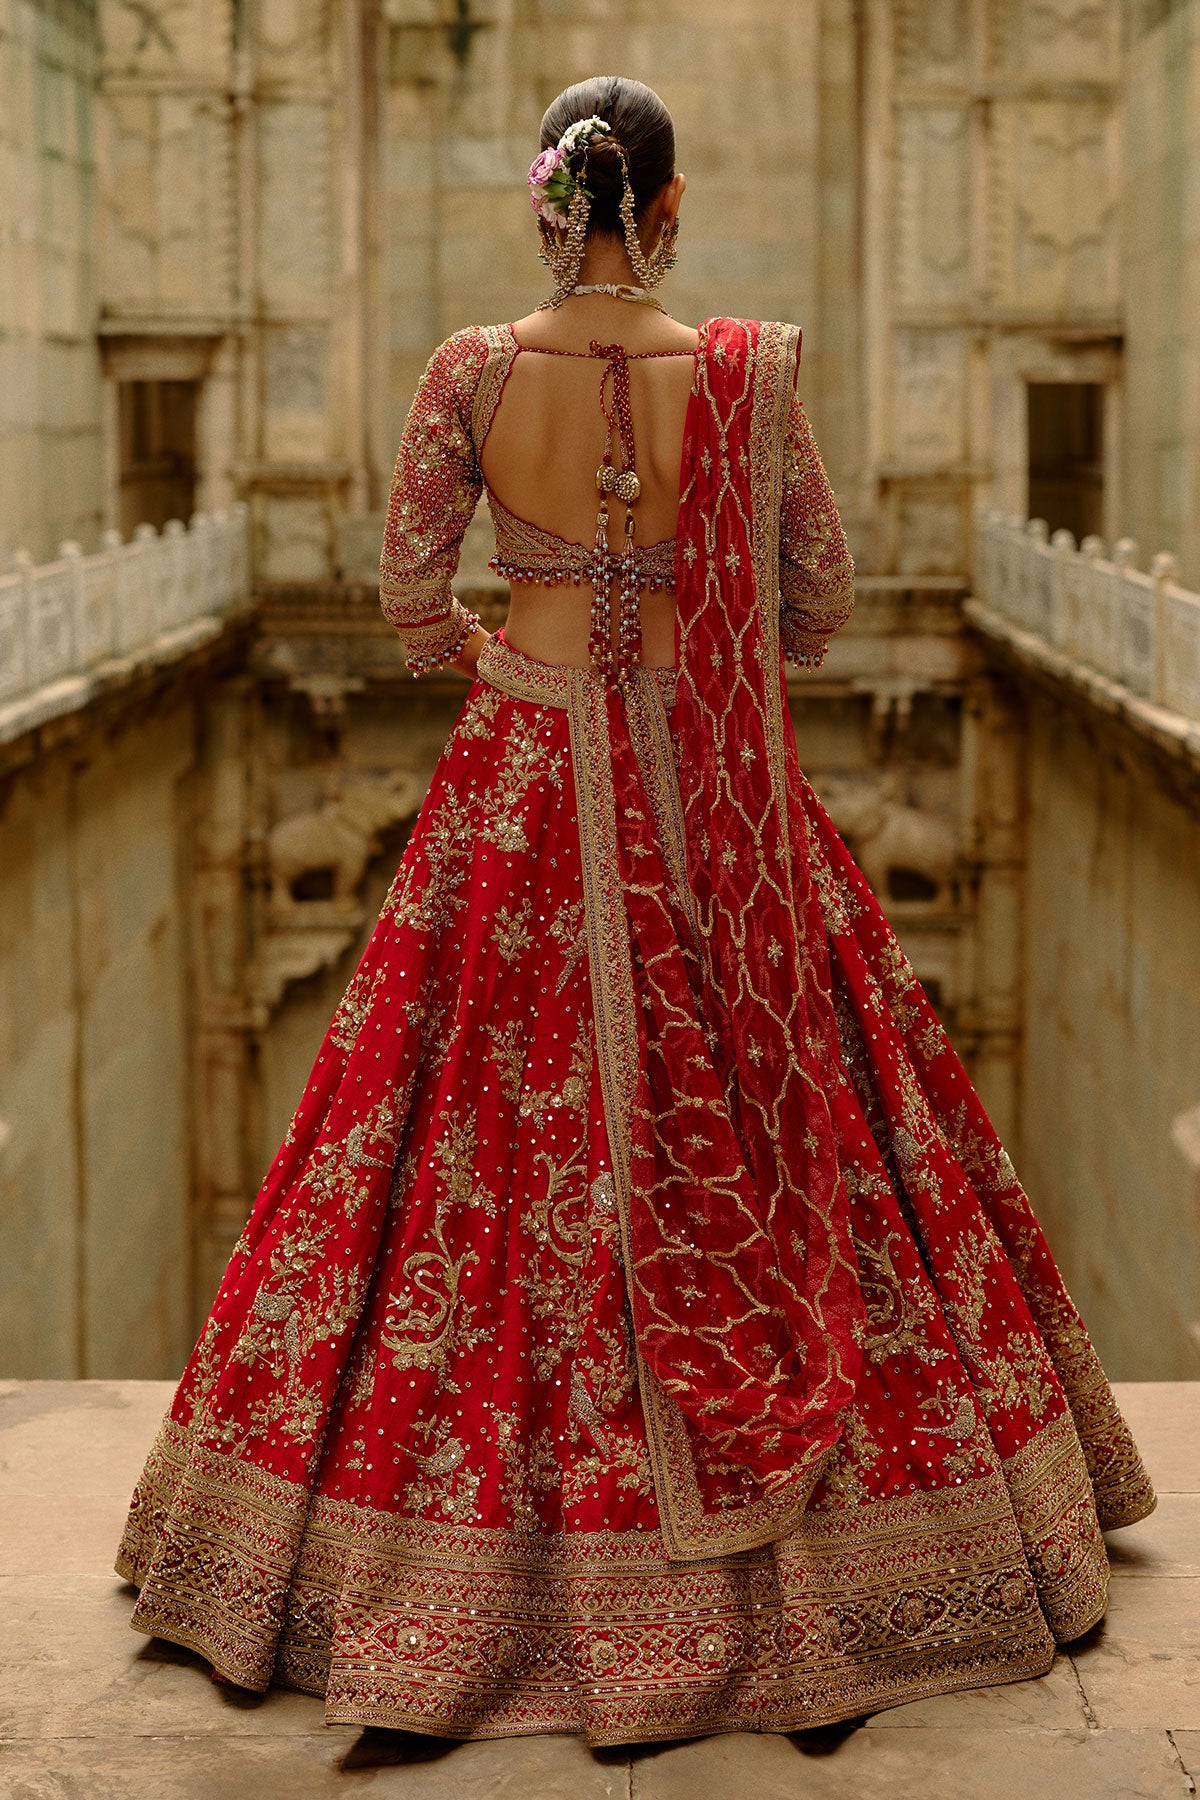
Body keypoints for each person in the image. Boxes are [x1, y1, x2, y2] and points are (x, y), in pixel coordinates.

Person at [116, 74, 1154, 1746]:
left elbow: (408, 600)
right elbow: (818, 600)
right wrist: (696, 642)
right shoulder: (746, 375)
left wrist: (516, 662)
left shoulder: (471, 371)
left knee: (475, 1149)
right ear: (665, 209)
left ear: (548, 204)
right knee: (798, 1116)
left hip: (521, 786)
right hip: (720, 793)